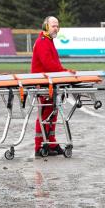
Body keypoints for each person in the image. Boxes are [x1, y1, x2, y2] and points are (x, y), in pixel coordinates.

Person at [31, 16, 71, 155]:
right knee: (44, 115)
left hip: (50, 83)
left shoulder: (48, 41)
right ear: (46, 26)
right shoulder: (43, 42)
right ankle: (39, 146)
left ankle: (51, 142)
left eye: (57, 26)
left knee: (52, 114)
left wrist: (63, 72)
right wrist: (64, 72)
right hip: (43, 84)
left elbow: (53, 64)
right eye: (53, 25)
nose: (56, 28)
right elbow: (48, 64)